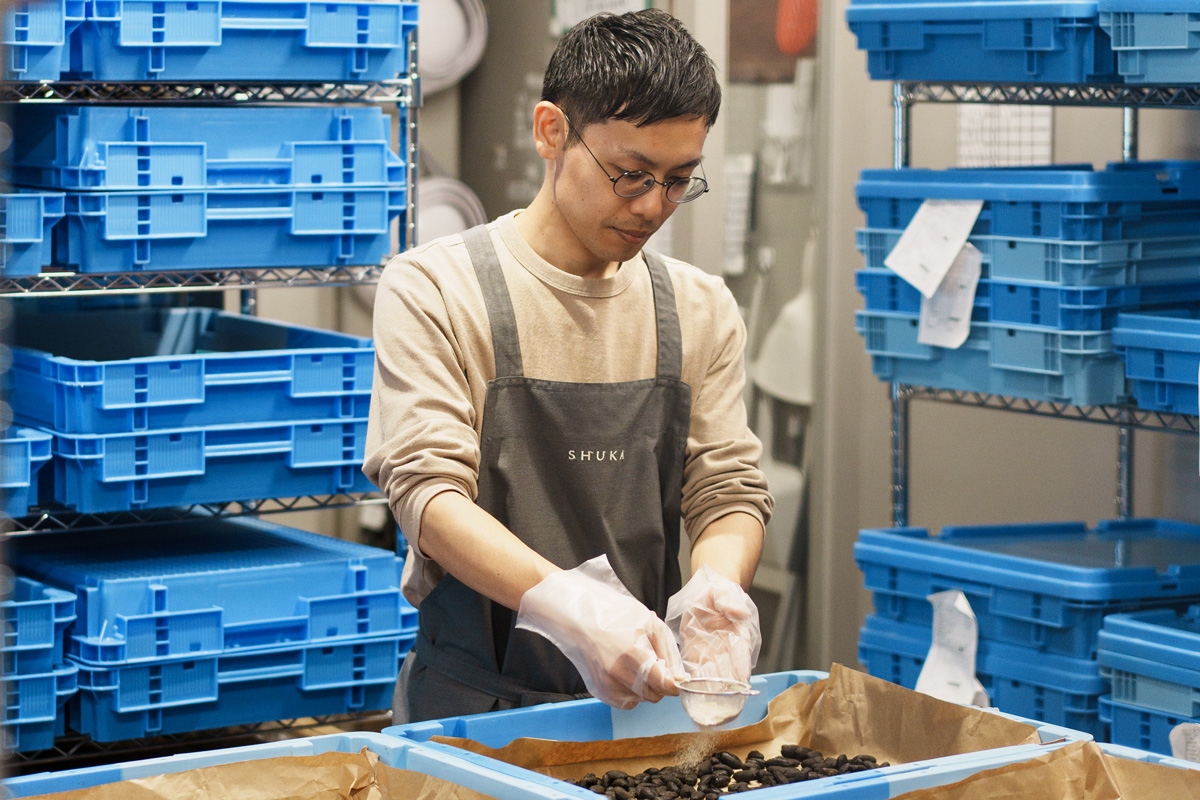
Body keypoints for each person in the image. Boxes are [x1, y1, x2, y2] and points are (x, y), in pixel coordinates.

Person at [364, 8, 774, 723]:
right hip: (471, 714)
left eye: (680, 180)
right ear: (551, 131)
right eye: (629, 175)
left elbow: (727, 488)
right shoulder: (435, 288)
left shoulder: (700, 308)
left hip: (639, 709)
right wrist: (568, 605)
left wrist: (717, 585)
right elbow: (428, 496)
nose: (653, 206)